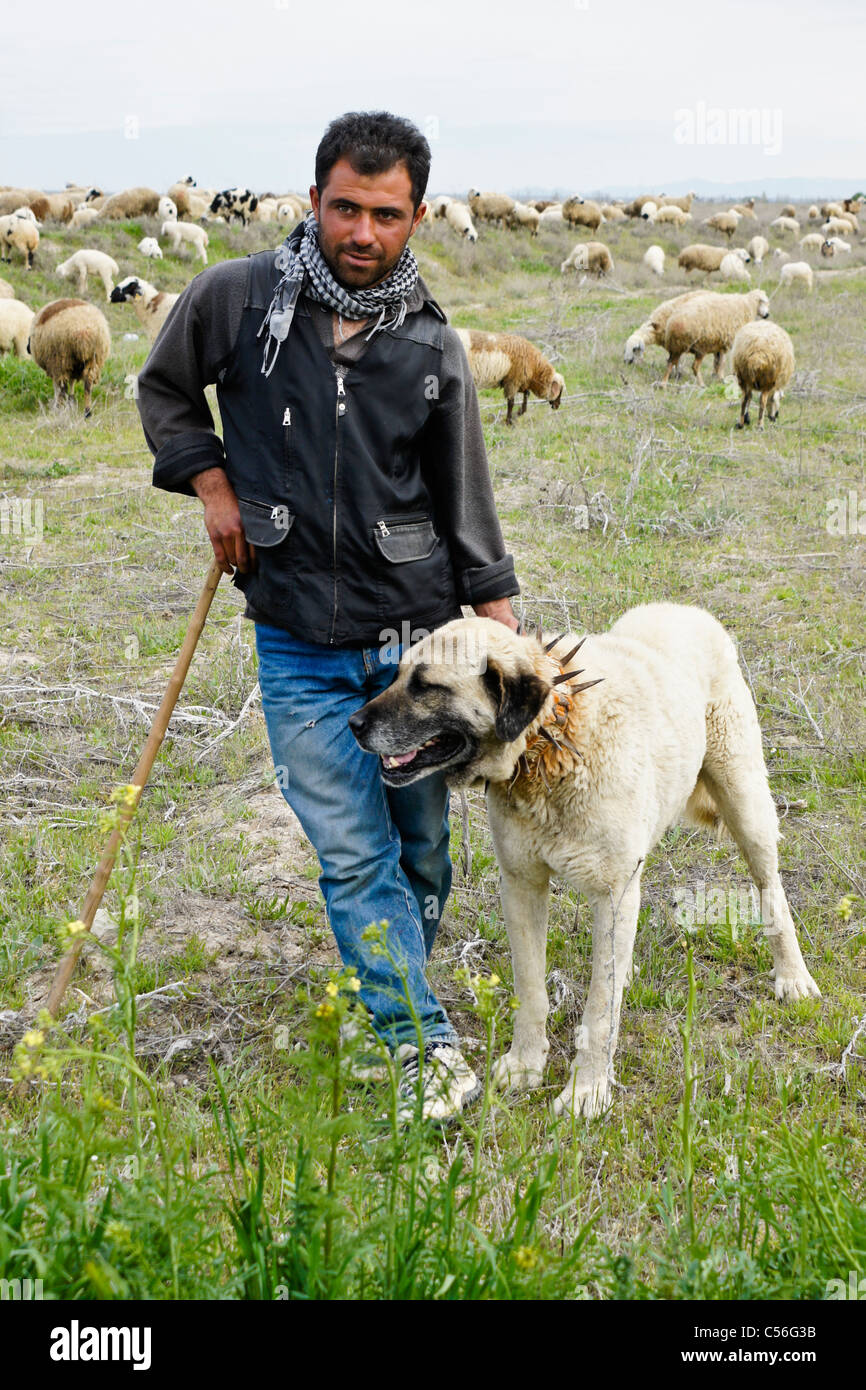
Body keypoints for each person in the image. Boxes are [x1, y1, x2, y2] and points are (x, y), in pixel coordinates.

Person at [136, 110, 520, 1124]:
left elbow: (463, 496)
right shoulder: (235, 298)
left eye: (384, 215)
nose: (361, 232)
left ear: (417, 218)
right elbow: (166, 392)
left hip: (415, 650)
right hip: (299, 636)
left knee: (422, 853)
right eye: (344, 207)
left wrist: (499, 620)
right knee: (353, 852)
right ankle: (419, 1043)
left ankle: (391, 990)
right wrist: (212, 485)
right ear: (313, 199)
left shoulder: (432, 341)